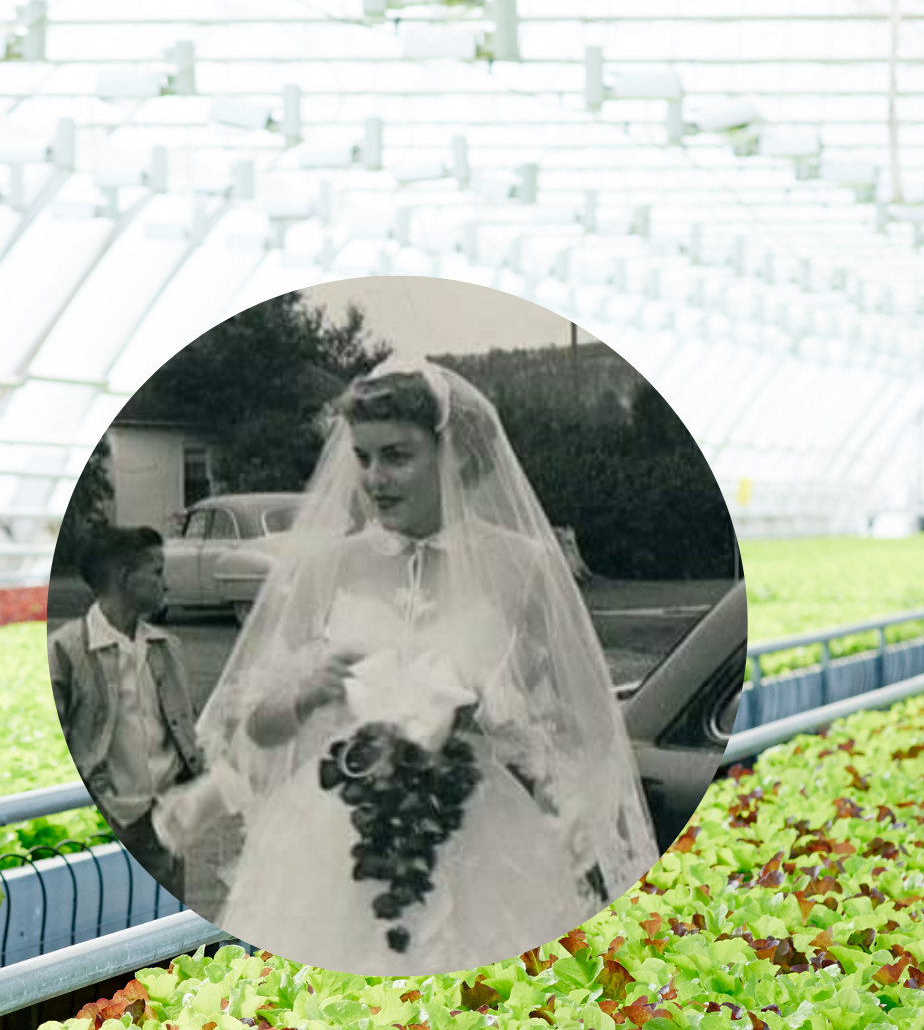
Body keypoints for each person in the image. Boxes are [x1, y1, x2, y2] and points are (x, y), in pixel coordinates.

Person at [155, 362, 658, 976]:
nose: (374, 478)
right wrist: (307, 694)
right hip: (330, 839)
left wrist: (498, 723)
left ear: (455, 455)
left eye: (397, 456)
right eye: (363, 457)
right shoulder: (328, 567)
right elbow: (256, 729)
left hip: (482, 837)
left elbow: (581, 726)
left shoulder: (523, 566)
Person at [47, 526, 204, 887]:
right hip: (111, 816)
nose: (166, 584)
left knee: (173, 927)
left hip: (166, 816)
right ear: (125, 578)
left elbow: (186, 726)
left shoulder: (166, 646)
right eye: (157, 571)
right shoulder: (67, 651)